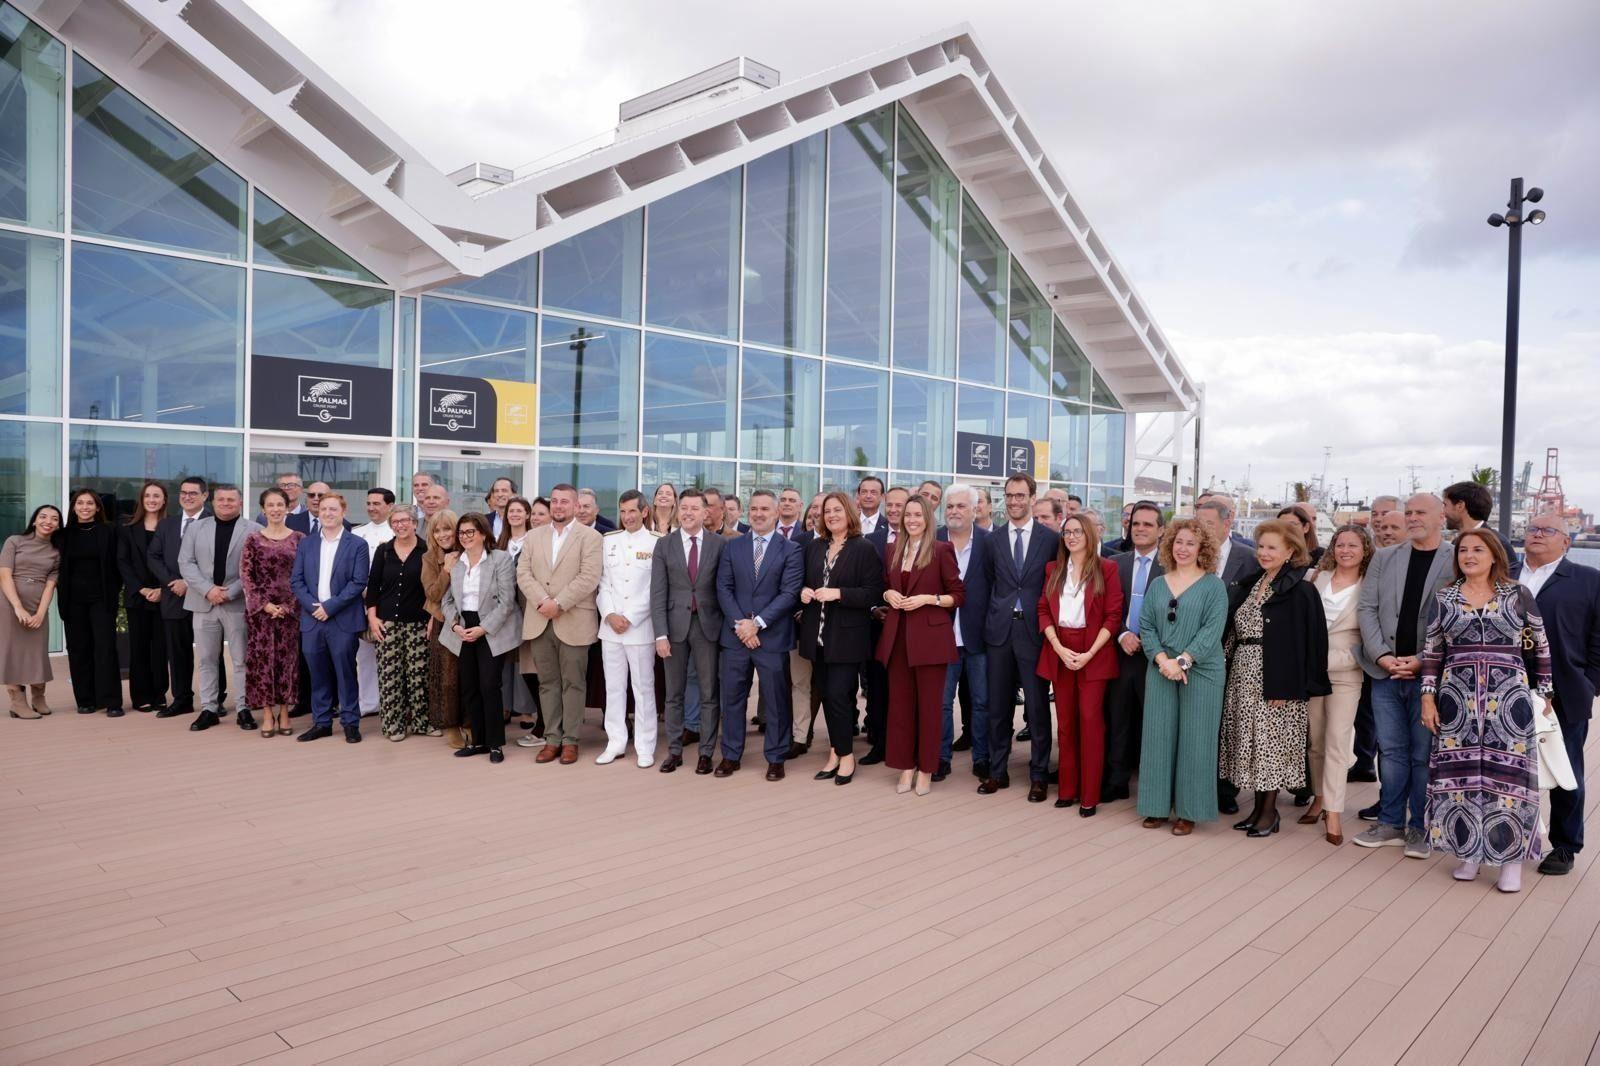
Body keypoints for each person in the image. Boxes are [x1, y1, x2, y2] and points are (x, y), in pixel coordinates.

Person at [1419, 529, 1550, 892]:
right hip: (1456, 699)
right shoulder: (1444, 597)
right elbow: (1432, 652)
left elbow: (1540, 645)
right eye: (1463, 550)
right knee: (1460, 780)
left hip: (1509, 698)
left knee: (1509, 781)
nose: (1469, 555)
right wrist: (1427, 697)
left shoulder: (1517, 594)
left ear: (1494, 555)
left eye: (1478, 549)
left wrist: (1546, 693)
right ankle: (1470, 852)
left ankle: (1510, 861)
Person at [1354, 493, 1456, 857]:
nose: (1413, 518)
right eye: (1408, 512)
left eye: (1420, 512)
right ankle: (1391, 822)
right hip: (1385, 672)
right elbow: (1367, 608)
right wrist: (1381, 655)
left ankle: (1420, 827)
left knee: (1423, 753)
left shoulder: (1456, 558)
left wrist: (1420, 658)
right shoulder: (1384, 558)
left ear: (1441, 516)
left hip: (1431, 674)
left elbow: (1455, 619)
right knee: (1392, 751)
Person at [1218, 519, 1330, 838]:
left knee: (1271, 746)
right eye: (1261, 546)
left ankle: (1269, 813)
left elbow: (1311, 643)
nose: (1264, 553)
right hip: (1242, 673)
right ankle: (1256, 810)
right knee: (1251, 744)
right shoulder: (1252, 583)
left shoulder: (1302, 590)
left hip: (1276, 678)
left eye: (1272, 548)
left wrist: (1290, 683)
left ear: (1290, 551)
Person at [1136, 518, 1230, 834]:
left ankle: (1189, 811)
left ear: (1202, 548)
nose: (1183, 548)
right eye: (1179, 542)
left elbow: (1212, 631)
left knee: (1196, 739)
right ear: (1170, 545)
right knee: (1158, 737)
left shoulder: (1214, 586)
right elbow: (1146, 626)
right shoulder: (1158, 584)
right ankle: (1156, 806)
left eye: (1191, 543)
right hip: (1161, 668)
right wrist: (1164, 660)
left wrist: (1183, 662)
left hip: (1201, 671)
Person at [1520, 512, 1600, 876]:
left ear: (1566, 542)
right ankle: (1510, 834)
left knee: (1564, 769)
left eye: (1548, 530)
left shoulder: (1588, 580)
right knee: (1508, 769)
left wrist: (1589, 684)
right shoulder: (1501, 574)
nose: (1537, 534)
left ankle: (1565, 846)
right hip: (1504, 689)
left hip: (1565, 693)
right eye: (1532, 528)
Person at [978, 474, 1061, 801]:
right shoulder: (992, 540)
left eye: (1020, 495)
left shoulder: (1049, 539)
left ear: (1032, 497)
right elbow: (988, 583)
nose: (1014, 501)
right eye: (1009, 496)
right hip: (999, 632)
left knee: (1038, 708)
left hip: (1034, 632)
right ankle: (997, 772)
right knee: (998, 707)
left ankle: (1038, 775)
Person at [1036, 513, 1123, 815]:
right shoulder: (1054, 570)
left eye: (1077, 532)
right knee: (1066, 723)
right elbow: (1044, 610)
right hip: (1060, 649)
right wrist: (1058, 647)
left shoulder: (1106, 569)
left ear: (1090, 535)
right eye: (1067, 532)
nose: (1071, 537)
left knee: (1090, 721)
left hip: (1094, 652)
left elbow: (1113, 616)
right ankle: (1068, 788)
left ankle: (1089, 795)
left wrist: (1089, 653)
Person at [713, 490, 803, 779]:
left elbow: (789, 593)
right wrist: (742, 625)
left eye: (765, 509)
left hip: (771, 637)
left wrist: (758, 623)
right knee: (733, 699)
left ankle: (776, 757)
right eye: (754, 508)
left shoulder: (790, 550)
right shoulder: (732, 547)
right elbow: (723, 589)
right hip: (737, 637)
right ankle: (730, 755)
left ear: (777, 513)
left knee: (776, 701)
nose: (759, 513)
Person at [878, 495, 964, 796]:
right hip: (898, 638)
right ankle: (906, 766)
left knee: (929, 708)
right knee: (901, 707)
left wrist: (928, 599)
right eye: (908, 515)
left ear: (928, 518)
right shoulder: (892, 549)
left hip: (930, 640)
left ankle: (927, 768)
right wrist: (888, 594)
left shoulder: (942, 550)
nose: (912, 520)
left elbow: (958, 594)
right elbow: (883, 585)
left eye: (918, 515)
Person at [798, 492, 882, 785]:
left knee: (838, 697)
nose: (831, 515)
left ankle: (846, 756)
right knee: (827, 695)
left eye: (837, 510)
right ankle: (835, 751)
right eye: (826, 511)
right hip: (817, 636)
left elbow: (873, 592)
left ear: (849, 513)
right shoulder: (815, 546)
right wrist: (804, 592)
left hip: (847, 638)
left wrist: (839, 593)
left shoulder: (864, 548)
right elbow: (805, 582)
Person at [520, 484, 603, 765]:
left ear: (576, 505)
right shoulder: (533, 536)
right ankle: (552, 739)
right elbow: (523, 573)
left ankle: (571, 741)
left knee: (573, 683)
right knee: (547, 683)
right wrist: (544, 600)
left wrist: (560, 603)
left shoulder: (590, 537)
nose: (558, 506)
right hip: (540, 618)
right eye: (554, 501)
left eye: (564, 502)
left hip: (574, 619)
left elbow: (589, 577)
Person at [1304, 524, 1376, 845]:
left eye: (1353, 546)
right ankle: (1318, 797)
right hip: (1311, 672)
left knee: (1337, 741)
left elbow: (1368, 637)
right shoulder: (1315, 579)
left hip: (1346, 672)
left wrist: (1330, 660)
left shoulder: (1370, 587)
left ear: (1365, 551)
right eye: (1340, 544)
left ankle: (1333, 810)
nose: (1346, 550)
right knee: (1315, 740)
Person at [651, 490, 726, 774]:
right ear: (677, 511)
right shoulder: (665, 545)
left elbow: (724, 587)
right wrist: (660, 634)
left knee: (708, 693)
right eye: (684, 508)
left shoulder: (719, 545)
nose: (688, 513)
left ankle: (706, 753)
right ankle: (674, 751)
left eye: (695, 508)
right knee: (674, 694)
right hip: (673, 628)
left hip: (708, 626)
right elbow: (657, 592)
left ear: (705, 512)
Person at [439, 512, 520, 763]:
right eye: (461, 533)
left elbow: (507, 602)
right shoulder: (455, 560)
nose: (464, 537)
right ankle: (478, 742)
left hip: (490, 628)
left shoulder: (500, 559)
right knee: (470, 687)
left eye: (470, 532)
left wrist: (483, 628)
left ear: (483, 533)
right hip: (463, 627)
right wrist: (454, 625)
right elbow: (447, 599)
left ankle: (495, 744)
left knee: (489, 686)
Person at [290, 493, 371, 744]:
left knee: (345, 671)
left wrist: (330, 607)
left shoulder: (357, 544)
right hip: (312, 619)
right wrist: (313, 606)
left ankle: (350, 722)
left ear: (343, 512)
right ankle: (322, 722)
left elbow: (358, 582)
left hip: (342, 619)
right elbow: (297, 580)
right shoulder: (307, 543)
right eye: (323, 509)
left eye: (333, 509)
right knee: (318, 673)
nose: (328, 513)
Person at [594, 490, 661, 767]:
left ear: (644, 511)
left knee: (643, 688)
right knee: (614, 688)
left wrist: (630, 617)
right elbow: (603, 582)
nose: (627, 517)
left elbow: (654, 588)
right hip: (611, 628)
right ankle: (616, 741)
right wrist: (609, 613)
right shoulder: (610, 540)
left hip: (639, 628)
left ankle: (645, 746)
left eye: (632, 511)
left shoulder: (657, 542)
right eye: (623, 511)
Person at [1104, 501, 1164, 803]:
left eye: (1147, 524)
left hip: (1157, 658)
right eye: (1135, 523)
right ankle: (1116, 782)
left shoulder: (1171, 566)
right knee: (1118, 718)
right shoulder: (1116, 564)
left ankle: (1153, 787)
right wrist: (1123, 634)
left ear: (1161, 530)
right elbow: (1106, 609)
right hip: (1122, 652)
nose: (1139, 529)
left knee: (1152, 723)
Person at [179, 484, 251, 731]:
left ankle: (244, 708)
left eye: (231, 500)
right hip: (203, 602)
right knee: (207, 659)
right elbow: (185, 562)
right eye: (221, 500)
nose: (226, 503)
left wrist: (230, 592)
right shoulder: (196, 528)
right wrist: (208, 590)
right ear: (213, 502)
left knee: (241, 659)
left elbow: (253, 570)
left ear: (240, 503)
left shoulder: (254, 530)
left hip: (237, 603)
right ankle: (209, 709)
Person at [937, 485, 991, 780]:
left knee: (982, 701)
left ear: (975, 509)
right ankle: (941, 757)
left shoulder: (989, 542)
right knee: (942, 702)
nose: (954, 511)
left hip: (978, 636)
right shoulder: (931, 541)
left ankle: (981, 757)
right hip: (941, 636)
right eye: (950, 506)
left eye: (961, 506)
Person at [147, 476, 212, 720]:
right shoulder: (167, 525)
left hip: (204, 598)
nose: (187, 497)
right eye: (183, 492)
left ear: (204, 496)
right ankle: (182, 699)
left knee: (210, 651)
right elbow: (153, 556)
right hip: (174, 597)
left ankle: (214, 698)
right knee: (178, 651)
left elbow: (217, 562)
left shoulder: (214, 522)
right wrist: (171, 583)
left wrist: (189, 582)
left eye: (193, 493)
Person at [240, 488, 304, 737]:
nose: (276, 509)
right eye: (271, 505)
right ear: (263, 509)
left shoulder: (300, 538)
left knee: (288, 664)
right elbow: (246, 576)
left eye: (280, 504)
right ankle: (267, 713)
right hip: (261, 615)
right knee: (263, 664)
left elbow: (305, 575)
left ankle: (285, 712)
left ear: (287, 508)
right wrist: (264, 605)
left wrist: (288, 607)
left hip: (290, 613)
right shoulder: (253, 540)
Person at [365, 507, 431, 741]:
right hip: (387, 624)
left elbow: (434, 591)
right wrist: (372, 618)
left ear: (414, 523)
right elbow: (373, 587)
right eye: (395, 521)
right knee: (390, 676)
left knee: (419, 676)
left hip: (418, 623)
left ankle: (422, 723)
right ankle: (394, 725)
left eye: (405, 520)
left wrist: (433, 618)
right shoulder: (384, 551)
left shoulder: (427, 550)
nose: (400, 525)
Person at [58, 489, 124, 717]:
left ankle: (112, 701)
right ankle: (86, 700)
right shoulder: (63, 535)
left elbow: (118, 565)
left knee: (105, 649)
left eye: (90, 503)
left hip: (102, 599)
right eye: (80, 503)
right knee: (79, 650)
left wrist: (115, 591)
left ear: (98, 508)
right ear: (74, 507)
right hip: (73, 600)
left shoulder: (109, 532)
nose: (85, 507)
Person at [1, 505, 61, 718]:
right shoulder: (14, 541)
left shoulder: (56, 552)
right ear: (34, 521)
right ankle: (17, 702)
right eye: (43, 516)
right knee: (11, 651)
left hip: (37, 603)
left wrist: (40, 613)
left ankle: (38, 696)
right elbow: (5, 575)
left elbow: (50, 585)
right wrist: (17, 606)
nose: (48, 521)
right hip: (9, 603)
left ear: (58, 525)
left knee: (37, 651)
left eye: (54, 518)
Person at [117, 481, 170, 713]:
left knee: (160, 648)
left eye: (156, 496)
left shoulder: (171, 528)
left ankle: (159, 694)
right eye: (147, 495)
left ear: (164, 500)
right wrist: (142, 589)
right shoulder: (128, 528)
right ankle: (140, 696)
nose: (152, 499)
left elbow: (177, 562)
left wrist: (163, 588)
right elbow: (122, 562)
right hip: (138, 596)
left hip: (165, 596)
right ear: (142, 499)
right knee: (138, 648)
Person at [497, 497, 541, 739]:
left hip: (527, 607)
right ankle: (505, 705)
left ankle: (525, 710)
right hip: (503, 609)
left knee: (524, 660)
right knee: (504, 658)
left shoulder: (533, 540)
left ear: (527, 515)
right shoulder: (500, 542)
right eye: (510, 511)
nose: (514, 514)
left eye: (519, 511)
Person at [351, 488, 396, 720]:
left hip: (389, 602)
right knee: (365, 654)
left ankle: (391, 702)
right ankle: (368, 702)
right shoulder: (357, 533)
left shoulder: (397, 531)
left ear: (390, 505)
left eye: (377, 503)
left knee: (391, 655)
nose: (371, 508)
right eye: (368, 503)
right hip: (361, 601)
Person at [422, 510, 463, 747]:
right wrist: (446, 570)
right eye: (436, 530)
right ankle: (451, 725)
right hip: (443, 621)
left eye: (447, 529)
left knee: (467, 675)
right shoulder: (429, 558)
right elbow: (433, 594)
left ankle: (469, 721)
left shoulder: (469, 551)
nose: (442, 535)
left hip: (469, 621)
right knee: (447, 678)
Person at [1442, 480, 1520, 576]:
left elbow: (1510, 582)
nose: (1443, 511)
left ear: (1460, 506)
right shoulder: (1456, 542)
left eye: (1445, 505)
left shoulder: (1497, 542)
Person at [1278, 504, 1324, 569]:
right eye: (1281, 524)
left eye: (1314, 519)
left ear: (1305, 527)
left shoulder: (1322, 556)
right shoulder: (1268, 552)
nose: (1312, 523)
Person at [485, 476, 516, 541]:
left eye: (504, 490)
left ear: (514, 494)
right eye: (496, 491)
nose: (500, 494)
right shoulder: (484, 520)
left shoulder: (521, 519)